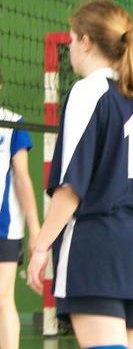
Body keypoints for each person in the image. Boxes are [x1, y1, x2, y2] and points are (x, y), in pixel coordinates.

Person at [26, 0, 133, 349]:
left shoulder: (89, 91)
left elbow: (71, 185)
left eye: (71, 39)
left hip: (100, 246)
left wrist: (41, 245)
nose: (70, 48)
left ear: (87, 42)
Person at [0, 97, 40, 349]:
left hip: (6, 226)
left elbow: (22, 178)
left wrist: (35, 228)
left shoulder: (13, 123)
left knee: (3, 298)